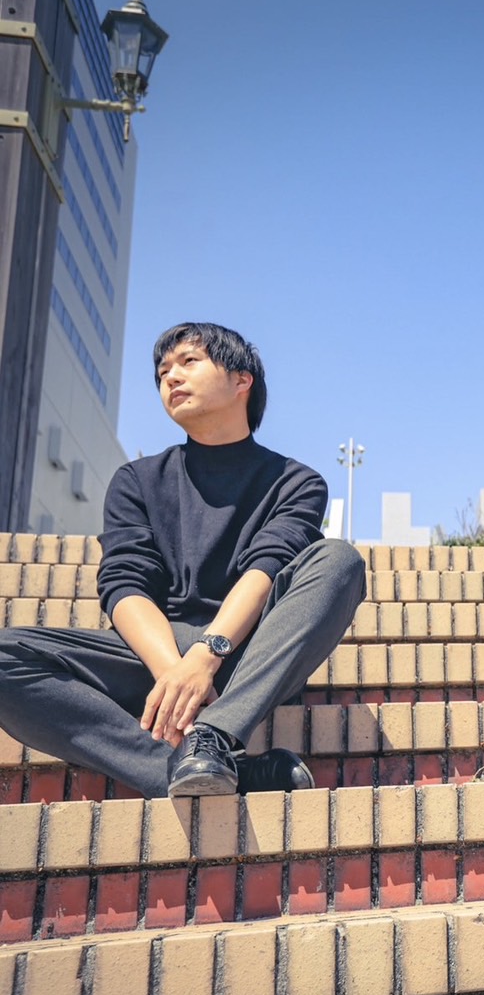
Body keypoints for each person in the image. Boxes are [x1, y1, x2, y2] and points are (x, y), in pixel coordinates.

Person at [0, 322, 367, 800]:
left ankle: (214, 734)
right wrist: (176, 672)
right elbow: (125, 583)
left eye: (189, 361)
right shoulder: (137, 480)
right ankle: (182, 767)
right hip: (156, 654)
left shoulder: (296, 482)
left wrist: (207, 657)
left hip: (252, 655)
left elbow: (268, 566)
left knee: (338, 560)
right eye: (162, 372)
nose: (170, 377)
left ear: (242, 380)